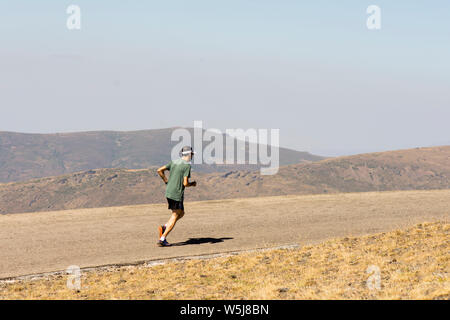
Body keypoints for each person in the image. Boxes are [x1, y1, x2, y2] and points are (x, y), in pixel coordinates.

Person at [156, 146, 197, 247]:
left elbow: (159, 170)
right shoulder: (187, 166)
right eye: (191, 154)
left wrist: (166, 180)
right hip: (177, 194)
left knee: (181, 213)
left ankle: (165, 226)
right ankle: (163, 238)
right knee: (175, 215)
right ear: (188, 154)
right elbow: (185, 183)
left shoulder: (174, 162)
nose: (192, 156)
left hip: (169, 192)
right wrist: (193, 184)